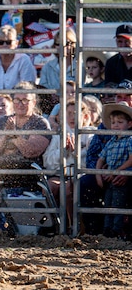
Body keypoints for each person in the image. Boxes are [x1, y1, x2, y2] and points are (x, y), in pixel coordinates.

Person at [0, 82, 51, 201]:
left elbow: (30, 152)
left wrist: (14, 136)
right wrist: (6, 136)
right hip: (1, 166)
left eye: (25, 100)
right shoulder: (4, 121)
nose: (20, 104)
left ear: (33, 102)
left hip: (27, 170)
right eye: (17, 100)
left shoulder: (40, 123)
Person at [44, 98, 95, 229]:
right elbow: (48, 161)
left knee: (68, 189)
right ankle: (53, 226)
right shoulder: (59, 135)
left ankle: (74, 226)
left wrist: (75, 152)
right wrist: (64, 152)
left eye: (76, 113)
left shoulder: (91, 134)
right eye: (69, 113)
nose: (72, 117)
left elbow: (90, 160)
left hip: (81, 174)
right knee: (49, 187)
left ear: (85, 116)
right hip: (61, 174)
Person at [94, 102, 132, 238]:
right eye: (113, 122)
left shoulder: (130, 140)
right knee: (108, 203)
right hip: (110, 178)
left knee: (118, 203)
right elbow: (100, 159)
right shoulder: (111, 141)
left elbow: (131, 159)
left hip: (119, 178)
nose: (116, 125)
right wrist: (98, 174)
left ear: (129, 124)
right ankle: (107, 229)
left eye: (120, 122)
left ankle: (116, 230)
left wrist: (116, 171)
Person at [0, 25, 37, 102]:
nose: (5, 45)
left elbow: (27, 88)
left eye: (9, 42)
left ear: (16, 43)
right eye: (1, 42)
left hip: (19, 103)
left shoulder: (24, 60)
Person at [39, 27, 77, 94]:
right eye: (58, 44)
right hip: (52, 104)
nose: (62, 47)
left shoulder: (82, 66)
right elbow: (42, 91)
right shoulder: (47, 67)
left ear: (73, 44)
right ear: (54, 46)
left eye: (66, 43)